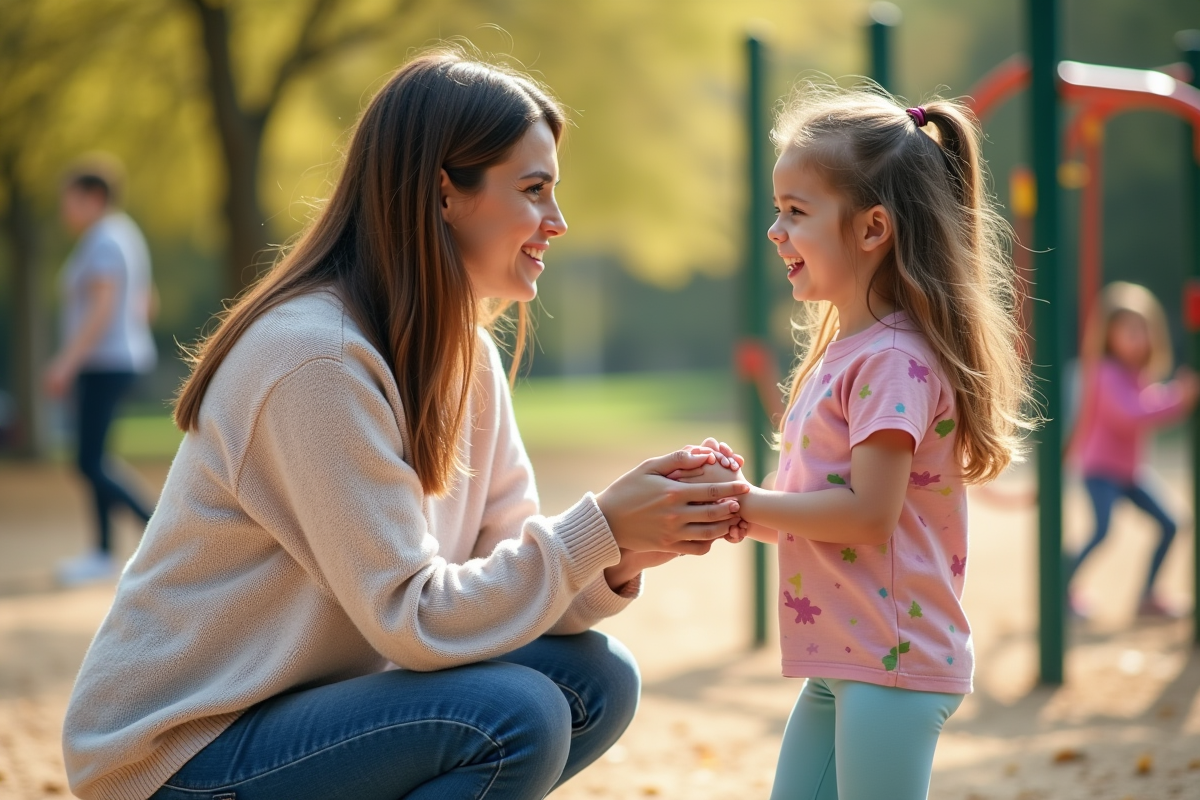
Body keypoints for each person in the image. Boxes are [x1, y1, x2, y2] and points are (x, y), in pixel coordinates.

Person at [62, 49, 750, 800]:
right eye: (533, 190)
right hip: (179, 751)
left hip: (310, 713)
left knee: (596, 679)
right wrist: (598, 527)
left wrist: (626, 546)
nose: (557, 222)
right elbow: (414, 618)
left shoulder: (467, 357)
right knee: (513, 715)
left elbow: (505, 579)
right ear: (444, 193)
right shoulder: (313, 361)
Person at [687, 88, 1033, 799]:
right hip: (848, 656)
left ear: (873, 228)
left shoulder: (891, 360)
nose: (774, 231)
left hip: (891, 663)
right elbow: (831, 517)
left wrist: (752, 504)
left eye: (795, 211)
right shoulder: (844, 353)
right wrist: (740, 509)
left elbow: (868, 514)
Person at [46, 162, 157, 585]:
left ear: (93, 198)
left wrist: (66, 361)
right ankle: (103, 552)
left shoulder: (104, 240)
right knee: (95, 457)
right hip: (117, 357)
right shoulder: (123, 235)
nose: (65, 210)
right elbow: (147, 301)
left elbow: (102, 305)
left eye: (69, 200)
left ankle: (154, 530)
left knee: (88, 460)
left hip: (104, 362)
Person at [1067, 282, 1199, 618]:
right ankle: (1062, 590)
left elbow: (1144, 405)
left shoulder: (1136, 374)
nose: (1138, 338)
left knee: (1171, 524)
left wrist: (1173, 397)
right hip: (1100, 470)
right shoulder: (1104, 372)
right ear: (1108, 335)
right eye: (1128, 330)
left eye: (1143, 330)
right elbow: (1130, 415)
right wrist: (1178, 399)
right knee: (1101, 531)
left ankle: (1147, 596)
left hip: (1129, 472)